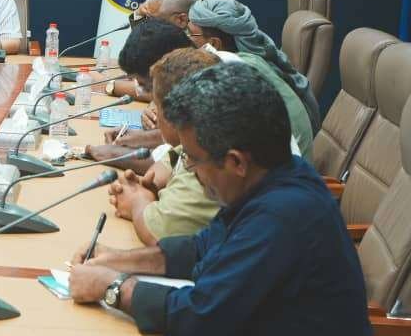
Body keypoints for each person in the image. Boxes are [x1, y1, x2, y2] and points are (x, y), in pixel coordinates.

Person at [69, 63, 371, 335]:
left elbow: (202, 315)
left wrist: (112, 287)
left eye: (192, 159)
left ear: (236, 162)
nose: (189, 169)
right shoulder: (274, 177)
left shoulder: (281, 217)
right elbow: (202, 248)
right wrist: (116, 259)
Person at [108, 49, 221, 245]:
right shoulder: (197, 138)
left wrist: (137, 202)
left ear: (172, 116)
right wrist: (145, 188)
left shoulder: (210, 161)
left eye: (156, 107)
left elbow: (160, 234)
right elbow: (162, 168)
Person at [188, 0, 321, 133]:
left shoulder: (241, 71)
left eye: (191, 34)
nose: (188, 39)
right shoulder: (255, 54)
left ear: (214, 43)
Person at [86, 18, 194, 171]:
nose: (147, 94)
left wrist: (114, 154)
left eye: (147, 87)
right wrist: (140, 138)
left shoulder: (209, 93)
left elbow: (170, 167)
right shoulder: (189, 76)